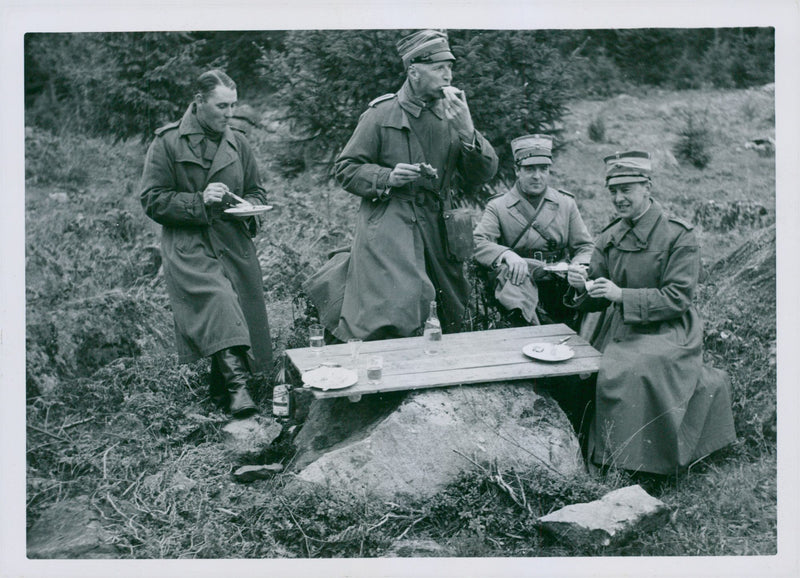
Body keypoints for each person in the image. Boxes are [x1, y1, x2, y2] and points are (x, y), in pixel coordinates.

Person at [308, 29, 498, 341]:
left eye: (450, 67)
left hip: (441, 224)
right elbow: (346, 169)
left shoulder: (453, 114)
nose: (448, 76)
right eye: (439, 69)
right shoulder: (381, 114)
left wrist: (468, 130)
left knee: (450, 309)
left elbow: (483, 173)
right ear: (414, 72)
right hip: (392, 222)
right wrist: (387, 177)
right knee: (402, 302)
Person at [565, 150, 736, 475]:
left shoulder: (678, 235)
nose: (618, 198)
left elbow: (678, 298)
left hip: (669, 329)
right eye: (613, 191)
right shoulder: (610, 236)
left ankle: (633, 465)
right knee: (587, 371)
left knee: (634, 369)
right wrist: (581, 284)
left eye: (626, 190)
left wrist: (621, 295)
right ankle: (612, 457)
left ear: (647, 186)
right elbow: (598, 292)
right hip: (620, 326)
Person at [140, 69, 272, 418]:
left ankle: (218, 389)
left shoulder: (238, 141)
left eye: (233, 105)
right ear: (199, 103)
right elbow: (152, 200)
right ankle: (237, 390)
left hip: (233, 241)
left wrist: (249, 208)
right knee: (220, 300)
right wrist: (199, 200)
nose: (229, 114)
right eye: (221, 106)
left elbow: (256, 189)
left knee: (240, 308)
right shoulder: (167, 142)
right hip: (189, 243)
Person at [473, 134, 593, 327]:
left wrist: (578, 267)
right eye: (529, 169)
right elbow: (479, 241)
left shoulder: (565, 203)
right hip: (519, 281)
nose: (537, 176)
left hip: (559, 281)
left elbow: (585, 246)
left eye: (543, 169)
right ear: (517, 170)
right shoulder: (498, 206)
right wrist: (508, 255)